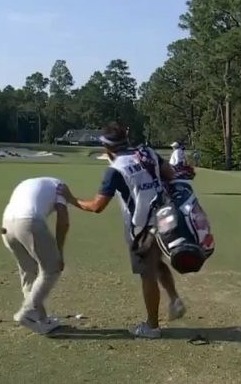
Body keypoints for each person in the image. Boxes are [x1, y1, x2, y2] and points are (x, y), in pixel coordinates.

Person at [60, 122, 186, 339]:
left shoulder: (115, 169)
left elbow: (97, 206)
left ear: (107, 148)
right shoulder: (147, 153)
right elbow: (170, 173)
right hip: (165, 217)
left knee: (148, 274)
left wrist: (72, 200)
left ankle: (152, 326)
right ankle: (174, 299)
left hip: (142, 227)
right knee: (156, 262)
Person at [1, 177, 70, 335]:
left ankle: (41, 320)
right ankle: (27, 313)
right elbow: (63, 220)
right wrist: (59, 251)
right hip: (28, 220)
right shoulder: (60, 186)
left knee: (29, 270)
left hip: (6, 224)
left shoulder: (28, 183)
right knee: (51, 270)